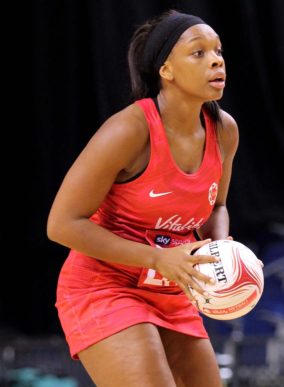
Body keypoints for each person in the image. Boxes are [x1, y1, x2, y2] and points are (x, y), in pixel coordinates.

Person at [47, 11, 239, 386]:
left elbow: (217, 206)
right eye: (198, 52)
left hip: (171, 288)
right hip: (104, 284)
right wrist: (155, 257)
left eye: (218, 50)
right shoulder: (128, 130)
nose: (217, 59)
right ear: (166, 70)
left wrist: (221, 250)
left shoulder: (224, 129)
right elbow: (61, 224)